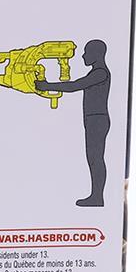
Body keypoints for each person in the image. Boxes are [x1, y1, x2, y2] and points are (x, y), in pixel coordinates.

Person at [36, 38, 111, 206]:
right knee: (93, 158)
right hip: (93, 118)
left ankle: (97, 197)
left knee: (96, 158)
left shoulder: (100, 73)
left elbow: (75, 85)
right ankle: (96, 196)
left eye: (86, 53)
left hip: (97, 119)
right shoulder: (97, 72)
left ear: (96, 54)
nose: (83, 56)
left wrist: (47, 86)